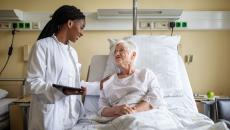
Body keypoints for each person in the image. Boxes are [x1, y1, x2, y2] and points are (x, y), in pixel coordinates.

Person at [25, 5, 86, 130]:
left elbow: (71, 81)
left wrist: (77, 89)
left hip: (70, 117)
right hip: (49, 117)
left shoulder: (72, 52)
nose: (82, 33)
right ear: (69, 23)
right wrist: (62, 90)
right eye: (81, 27)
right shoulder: (42, 46)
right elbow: (33, 83)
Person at [98, 40, 165, 118]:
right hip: (119, 117)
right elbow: (101, 110)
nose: (116, 54)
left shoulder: (146, 74)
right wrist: (116, 110)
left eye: (121, 50)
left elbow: (156, 97)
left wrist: (134, 111)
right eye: (115, 52)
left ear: (133, 55)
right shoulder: (107, 82)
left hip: (145, 114)